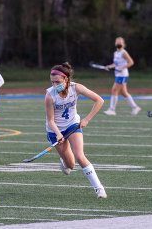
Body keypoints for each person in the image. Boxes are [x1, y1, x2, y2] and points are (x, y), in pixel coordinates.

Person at [45, 62, 107, 198]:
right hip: (55, 129)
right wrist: (58, 134)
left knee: (79, 155)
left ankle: (99, 189)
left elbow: (99, 100)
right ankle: (64, 161)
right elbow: (50, 120)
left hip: (73, 124)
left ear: (66, 79)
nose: (55, 85)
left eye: (57, 82)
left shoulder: (76, 88)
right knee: (70, 165)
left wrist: (86, 119)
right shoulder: (50, 95)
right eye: (52, 82)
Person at [103, 37, 141, 116]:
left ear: (123, 44)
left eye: (120, 42)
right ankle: (135, 107)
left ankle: (112, 110)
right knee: (123, 93)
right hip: (118, 74)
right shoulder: (115, 53)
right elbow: (115, 64)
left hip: (122, 75)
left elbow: (131, 62)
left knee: (114, 90)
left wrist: (122, 68)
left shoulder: (124, 52)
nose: (119, 43)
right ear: (115, 43)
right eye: (117, 42)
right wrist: (109, 66)